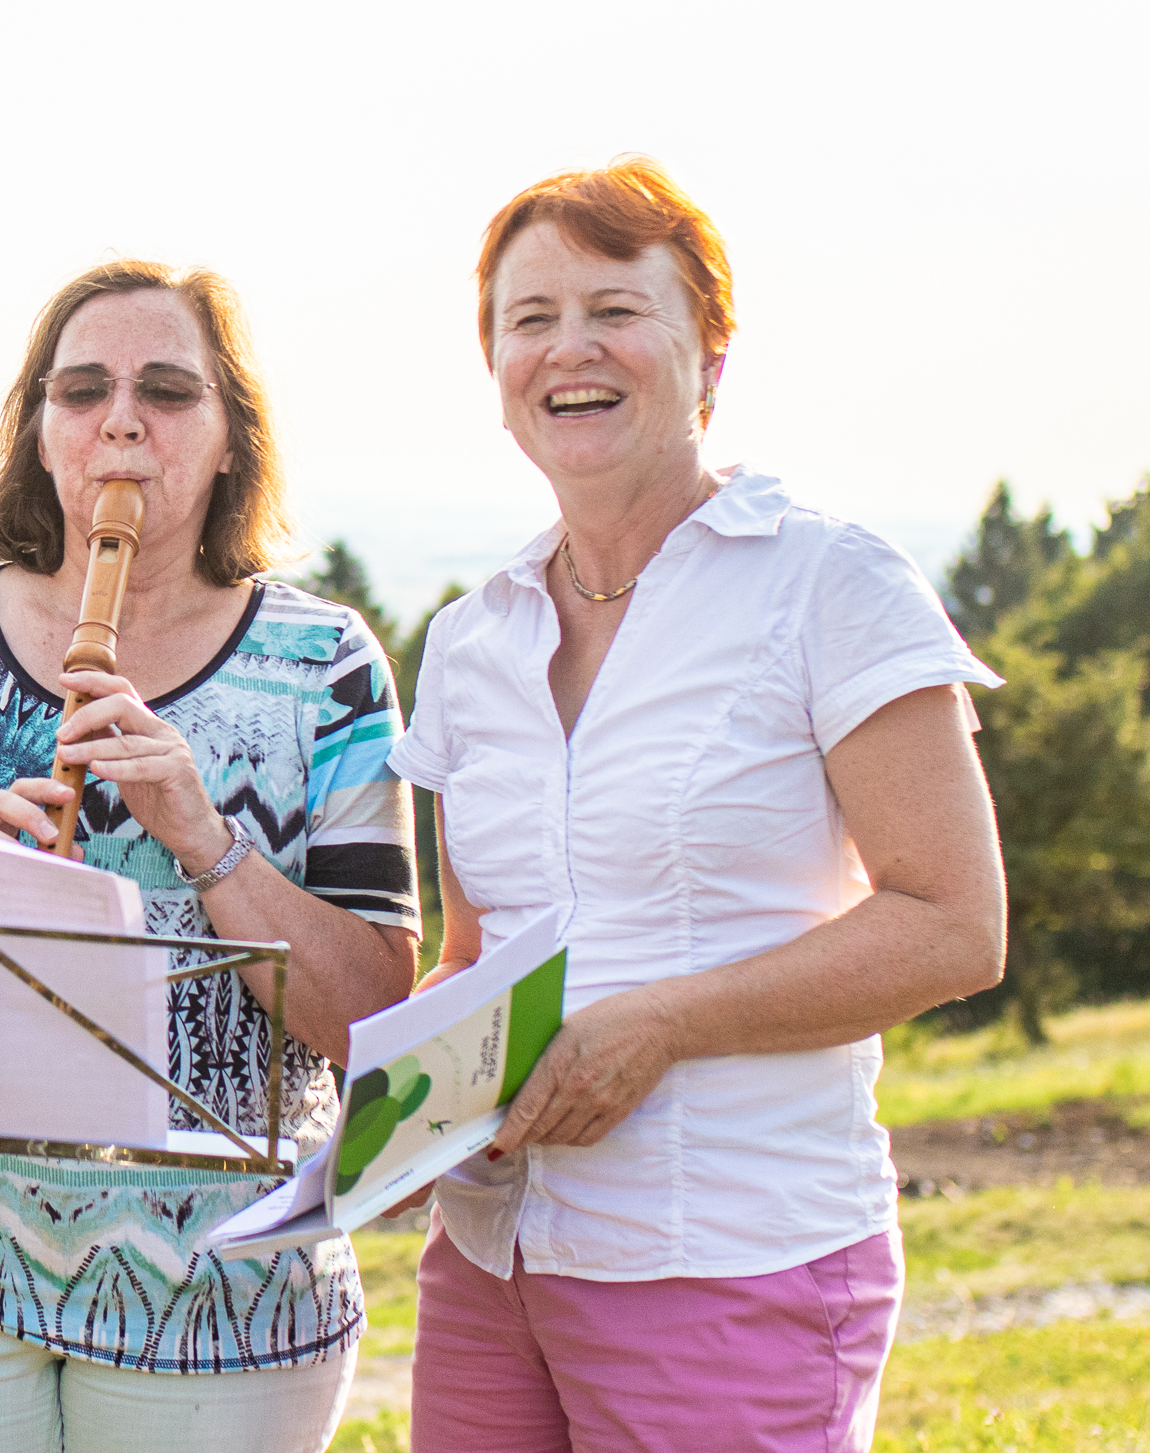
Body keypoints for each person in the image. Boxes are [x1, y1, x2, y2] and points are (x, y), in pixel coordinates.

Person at [393, 158, 1007, 1452]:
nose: (569, 345)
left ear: (708, 355)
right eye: (530, 317)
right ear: (497, 370)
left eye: (616, 307)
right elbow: (470, 953)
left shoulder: (829, 583)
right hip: (490, 1264)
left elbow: (955, 922)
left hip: (732, 1253)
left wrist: (662, 1023)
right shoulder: (468, 641)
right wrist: (421, 1121)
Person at [0, 259, 422, 1453]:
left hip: (228, 1289)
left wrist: (208, 839)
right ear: (42, 431)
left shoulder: (326, 662)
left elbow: (377, 1013)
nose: (122, 419)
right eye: (83, 389)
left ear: (229, 440)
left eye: (168, 390)